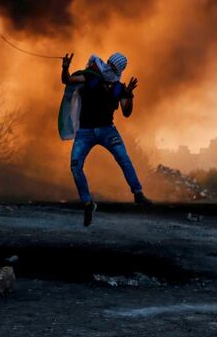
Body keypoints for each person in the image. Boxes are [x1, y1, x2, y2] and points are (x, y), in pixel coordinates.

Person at [61, 52, 153, 226]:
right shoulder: (90, 78)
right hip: (85, 132)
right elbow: (67, 80)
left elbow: (126, 112)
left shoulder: (119, 87)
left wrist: (129, 94)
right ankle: (88, 204)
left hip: (107, 131)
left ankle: (138, 193)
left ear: (118, 71)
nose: (109, 68)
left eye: (113, 67)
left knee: (123, 158)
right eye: (108, 64)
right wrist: (65, 67)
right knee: (75, 166)